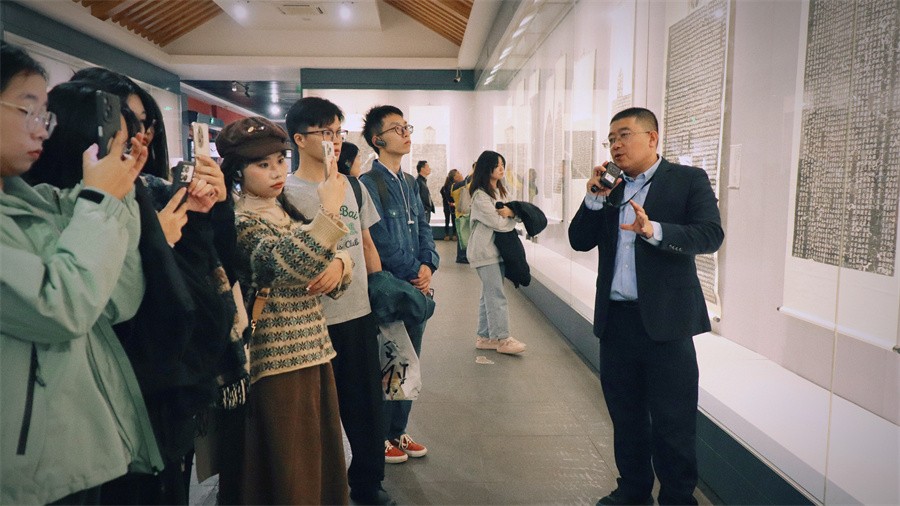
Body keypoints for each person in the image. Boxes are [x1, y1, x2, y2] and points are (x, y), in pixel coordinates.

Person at [0, 42, 163, 504]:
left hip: (70, 449)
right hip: (24, 472)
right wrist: (100, 200)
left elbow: (115, 300)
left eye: (45, 116)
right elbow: (63, 308)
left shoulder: (39, 204)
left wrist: (118, 190)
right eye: (28, 111)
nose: (41, 129)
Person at [567, 107, 724, 506]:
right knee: (626, 417)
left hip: (667, 324)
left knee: (673, 422)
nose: (615, 146)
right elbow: (579, 240)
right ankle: (633, 491)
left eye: (624, 135)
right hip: (616, 321)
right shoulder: (612, 188)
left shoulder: (687, 180)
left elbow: (710, 234)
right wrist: (593, 199)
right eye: (611, 139)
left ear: (652, 138)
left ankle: (677, 498)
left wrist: (654, 230)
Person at [218, 116, 350, 504]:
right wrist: (329, 215)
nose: (277, 172)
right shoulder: (240, 221)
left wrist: (341, 264)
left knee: (315, 461)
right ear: (238, 171)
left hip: (313, 352)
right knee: (291, 468)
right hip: (276, 362)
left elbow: (326, 266)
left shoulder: (284, 212)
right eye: (263, 164)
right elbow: (285, 264)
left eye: (279, 160)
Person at [283, 97, 395, 505]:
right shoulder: (285, 192)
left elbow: (365, 243)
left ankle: (367, 483)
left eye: (337, 131)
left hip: (357, 314)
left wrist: (379, 292)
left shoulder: (353, 186)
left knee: (365, 406)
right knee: (314, 413)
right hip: (311, 322)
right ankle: (316, 486)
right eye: (325, 132)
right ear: (300, 139)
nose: (333, 140)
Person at [360, 105, 439, 463]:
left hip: (415, 286)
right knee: (389, 359)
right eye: (397, 128)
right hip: (391, 287)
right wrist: (413, 271)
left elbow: (424, 227)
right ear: (378, 140)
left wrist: (429, 265)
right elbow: (377, 239)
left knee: (410, 358)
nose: (406, 133)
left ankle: (398, 430)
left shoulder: (410, 183)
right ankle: (378, 435)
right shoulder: (368, 184)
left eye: (407, 127)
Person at [466, 151, 527, 355]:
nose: (502, 168)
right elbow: (498, 223)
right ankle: (503, 338)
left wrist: (511, 213)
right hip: (484, 252)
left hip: (496, 251)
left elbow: (513, 214)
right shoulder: (480, 196)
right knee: (496, 295)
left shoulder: (500, 191)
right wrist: (511, 216)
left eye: (503, 164)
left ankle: (485, 337)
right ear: (487, 168)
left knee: (488, 294)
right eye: (497, 165)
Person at [440, 168, 460, 240]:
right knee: (454, 220)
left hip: (446, 205)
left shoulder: (444, 187)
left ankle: (447, 235)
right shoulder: (454, 186)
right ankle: (454, 235)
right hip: (452, 205)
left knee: (447, 220)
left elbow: (442, 193)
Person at [415, 159, 435, 225]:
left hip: (426, 211)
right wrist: (425, 209)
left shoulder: (423, 181)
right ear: (422, 169)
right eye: (428, 167)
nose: (430, 169)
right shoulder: (418, 181)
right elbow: (418, 197)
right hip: (423, 211)